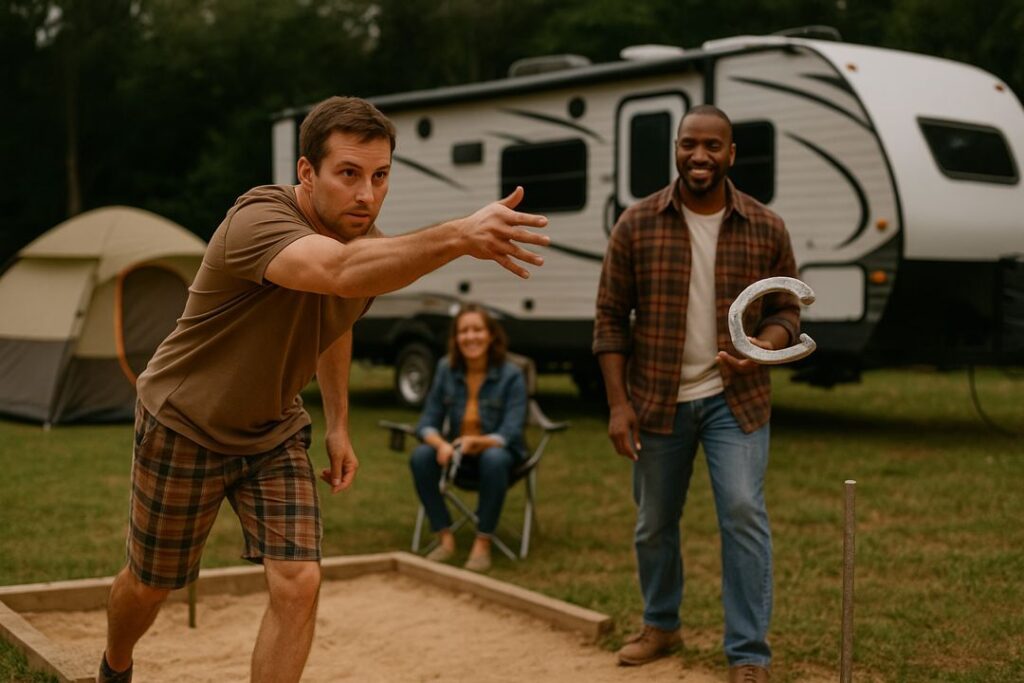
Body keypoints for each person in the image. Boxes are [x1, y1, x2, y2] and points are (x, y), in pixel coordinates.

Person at [97, 96, 548, 683]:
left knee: (300, 579)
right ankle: (115, 665)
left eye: (380, 176)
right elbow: (334, 274)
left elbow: (336, 319)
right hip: (185, 421)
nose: (367, 194)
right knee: (150, 583)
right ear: (306, 173)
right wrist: (460, 234)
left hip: (272, 431)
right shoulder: (257, 219)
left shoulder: (367, 248)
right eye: (349, 174)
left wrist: (337, 422)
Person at [592, 104, 800, 683]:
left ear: (732, 154)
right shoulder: (637, 223)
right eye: (689, 144)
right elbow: (610, 318)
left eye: (713, 146)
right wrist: (617, 404)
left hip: (737, 402)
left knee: (742, 512)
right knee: (653, 522)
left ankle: (749, 654)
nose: (699, 156)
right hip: (657, 401)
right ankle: (661, 625)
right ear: (676, 148)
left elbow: (789, 308)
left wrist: (759, 345)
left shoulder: (765, 225)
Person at [409, 304, 527, 572]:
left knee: (494, 458)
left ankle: (482, 543)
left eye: (477, 330)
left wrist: (479, 442)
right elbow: (427, 421)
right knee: (421, 456)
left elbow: (511, 431)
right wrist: (440, 444)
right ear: (455, 338)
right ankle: (445, 538)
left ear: (491, 335)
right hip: (458, 454)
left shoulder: (511, 375)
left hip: (501, 456)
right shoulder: (445, 369)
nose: (470, 337)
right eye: (463, 331)